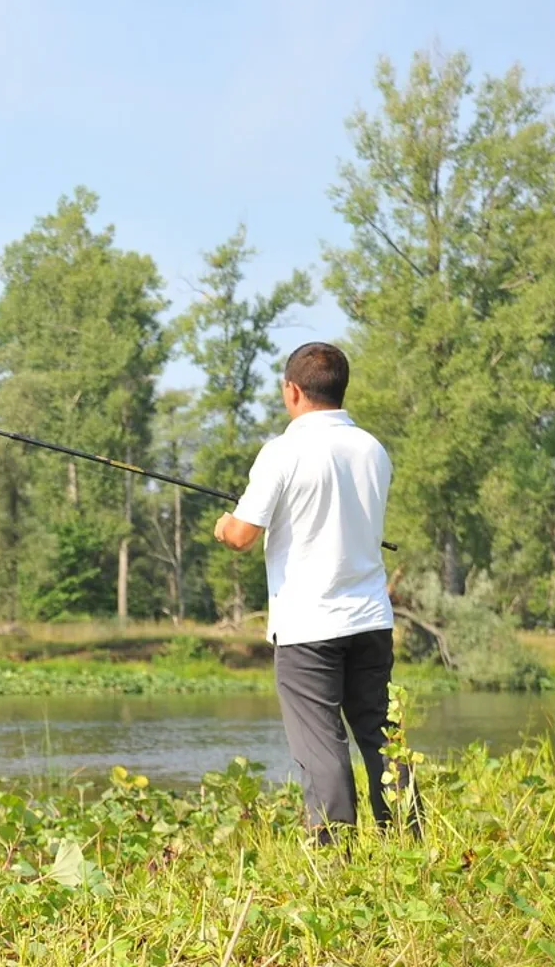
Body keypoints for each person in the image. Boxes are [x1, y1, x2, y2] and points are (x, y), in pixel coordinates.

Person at [211, 341, 408, 840]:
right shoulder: (372, 448)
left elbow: (240, 535)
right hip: (370, 620)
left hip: (308, 628)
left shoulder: (283, 451)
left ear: (292, 390)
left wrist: (222, 524)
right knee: (381, 737)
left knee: (321, 744)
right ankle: (409, 841)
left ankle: (334, 856)